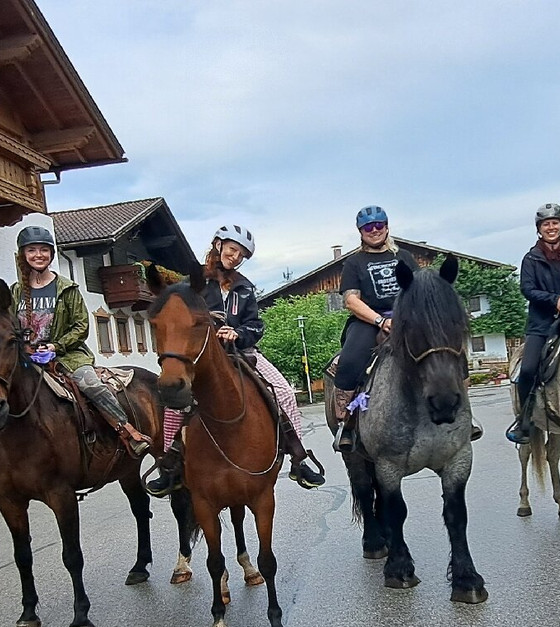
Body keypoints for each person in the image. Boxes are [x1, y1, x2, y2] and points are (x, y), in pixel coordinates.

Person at [146, 224, 326, 496]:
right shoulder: (193, 285)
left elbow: (255, 325)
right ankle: (171, 464)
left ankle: (297, 458)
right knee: (174, 404)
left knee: (286, 392)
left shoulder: (244, 288)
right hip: (203, 359)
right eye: (232, 249)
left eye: (241, 254)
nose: (235, 256)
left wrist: (238, 333)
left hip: (243, 352)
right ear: (218, 244)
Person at [10, 225, 151, 457]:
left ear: (51, 255)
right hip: (27, 357)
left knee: (91, 385)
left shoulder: (67, 288)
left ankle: (127, 431)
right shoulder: (16, 292)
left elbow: (81, 326)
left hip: (68, 356)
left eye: (44, 250)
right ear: (23, 255)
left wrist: (56, 346)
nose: (38, 255)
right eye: (32, 250)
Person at [330, 205, 420, 451]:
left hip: (406, 318)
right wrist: (380, 321)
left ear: (387, 226)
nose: (375, 230)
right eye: (368, 227)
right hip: (369, 321)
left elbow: (418, 289)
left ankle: (461, 411)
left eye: (379, 225)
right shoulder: (354, 263)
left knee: (445, 347)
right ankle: (347, 422)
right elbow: (351, 300)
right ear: (361, 231)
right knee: (349, 361)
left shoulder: (404, 257)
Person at [506, 203, 560, 444]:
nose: (551, 227)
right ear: (539, 229)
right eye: (546, 224)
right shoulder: (531, 258)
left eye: (554, 223)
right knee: (528, 369)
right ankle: (524, 421)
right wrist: (556, 300)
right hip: (541, 325)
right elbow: (528, 289)